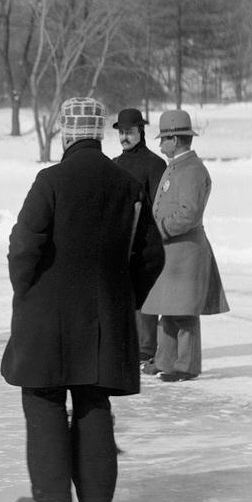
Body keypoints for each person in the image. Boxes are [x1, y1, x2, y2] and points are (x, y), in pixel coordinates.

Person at [1, 98, 164, 502]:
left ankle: (52, 496)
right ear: (97, 134)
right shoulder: (127, 184)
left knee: (44, 396)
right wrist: (126, 297)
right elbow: (151, 257)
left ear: (68, 134)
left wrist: (27, 292)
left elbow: (23, 247)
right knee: (94, 401)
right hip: (104, 317)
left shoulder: (50, 180)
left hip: (48, 316)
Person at [139, 110, 228, 382]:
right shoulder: (178, 165)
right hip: (172, 254)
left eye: (163, 139)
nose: (160, 145)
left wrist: (161, 230)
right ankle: (166, 359)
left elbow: (189, 213)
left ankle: (186, 365)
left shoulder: (191, 170)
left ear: (175, 139)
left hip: (185, 252)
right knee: (168, 306)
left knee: (184, 312)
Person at [112, 108, 165, 368]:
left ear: (140, 132)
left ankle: (146, 348)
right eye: (121, 132)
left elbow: (159, 204)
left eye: (129, 132)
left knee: (146, 294)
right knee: (124, 294)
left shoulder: (154, 164)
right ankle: (129, 344)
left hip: (147, 239)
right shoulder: (114, 164)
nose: (124, 137)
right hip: (121, 239)